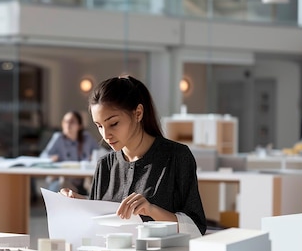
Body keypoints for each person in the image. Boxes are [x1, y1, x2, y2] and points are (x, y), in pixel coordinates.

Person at [60, 75, 207, 237]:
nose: (105, 134)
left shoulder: (177, 157)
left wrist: (152, 211)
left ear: (138, 113)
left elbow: (196, 228)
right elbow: (98, 227)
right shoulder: (105, 165)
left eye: (113, 123)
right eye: (99, 126)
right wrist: (81, 203)